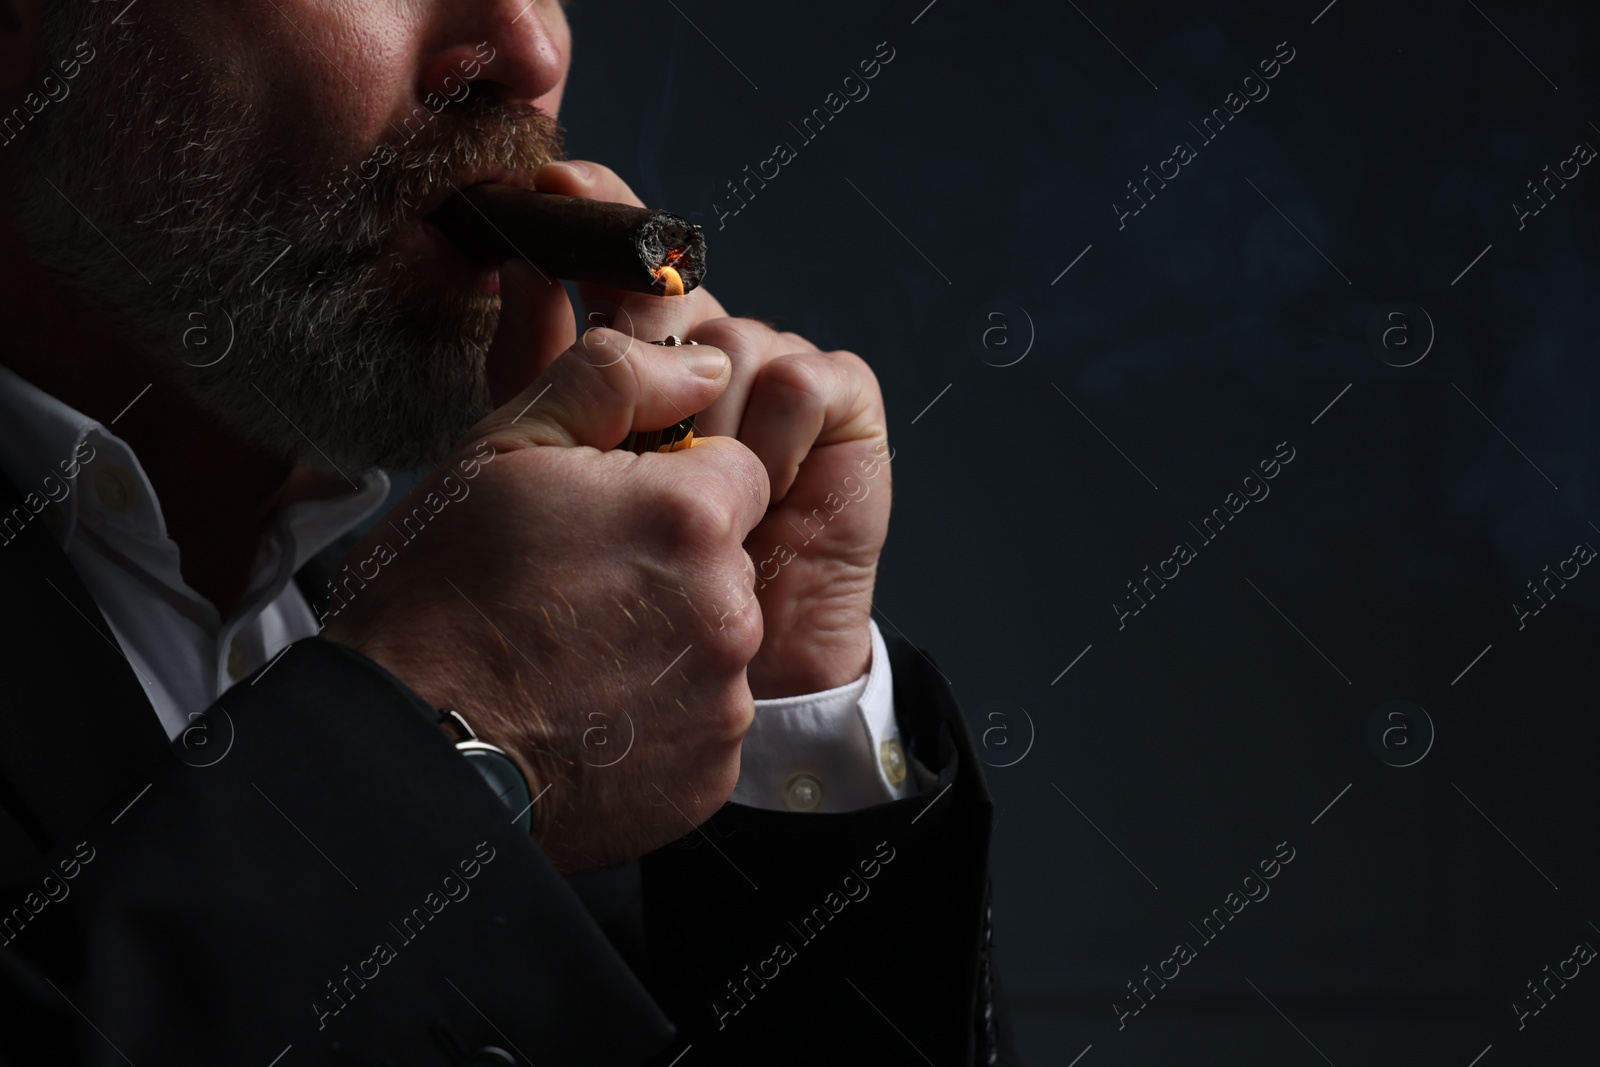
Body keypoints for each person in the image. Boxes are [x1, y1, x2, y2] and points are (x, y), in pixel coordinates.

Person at [0, 1, 1017, 1063]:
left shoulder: (547, 648)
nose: (530, 52)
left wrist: (781, 710)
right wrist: (454, 732)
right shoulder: (483, 675)